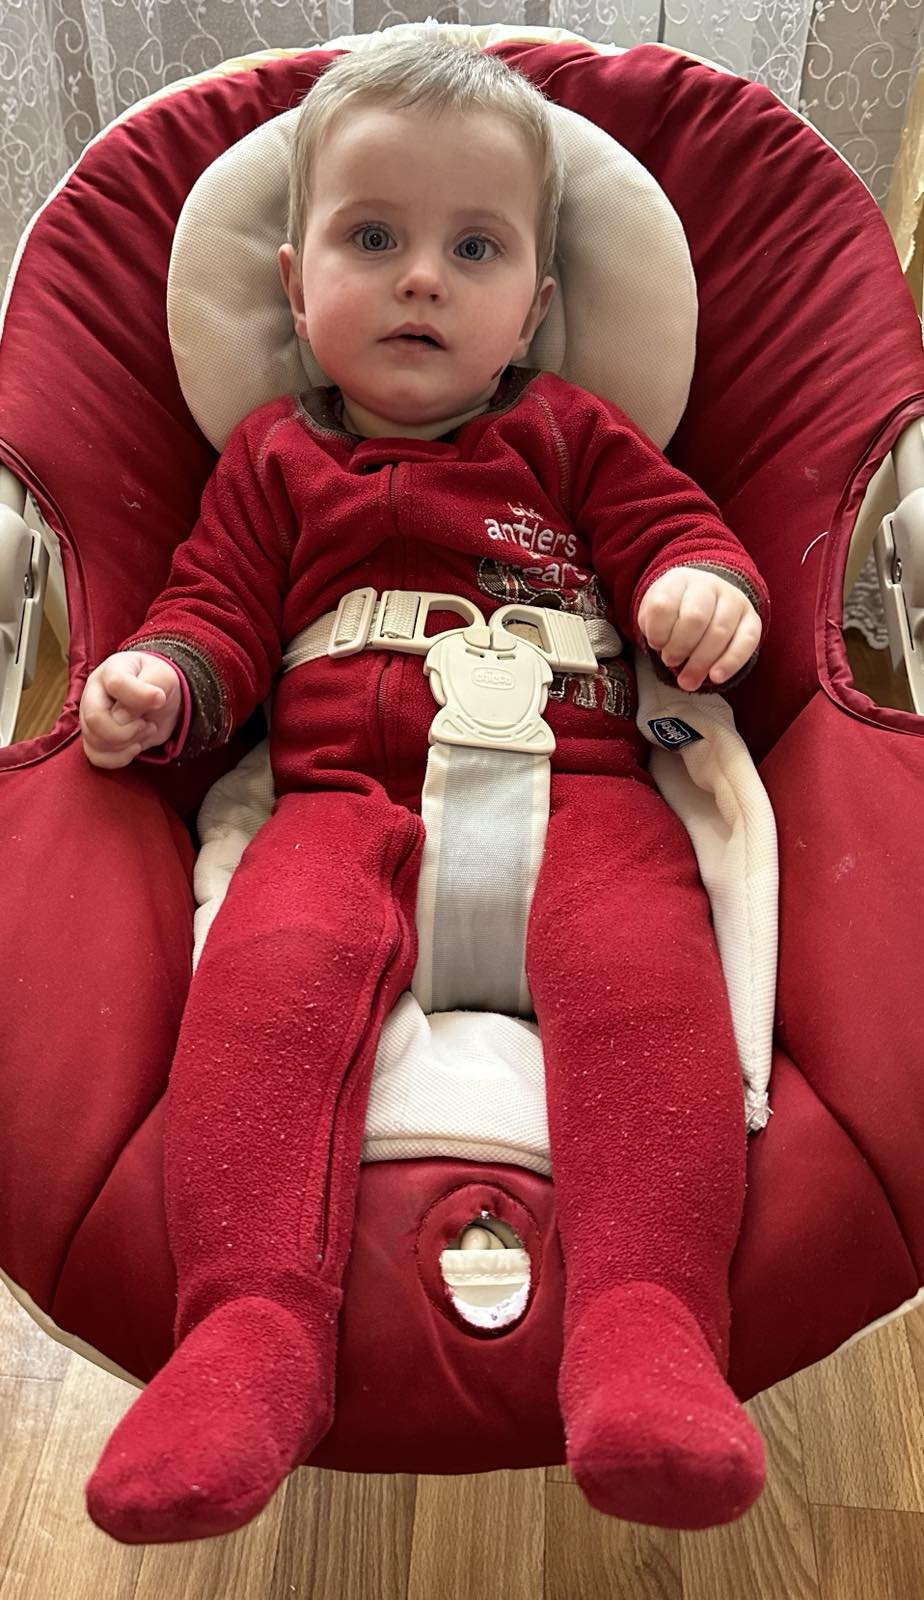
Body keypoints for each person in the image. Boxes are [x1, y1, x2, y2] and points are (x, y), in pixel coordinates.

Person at [79, 37, 770, 1544]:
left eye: (474, 250)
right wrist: (162, 683)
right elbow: (212, 612)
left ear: (534, 303)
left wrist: (703, 588)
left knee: (645, 986)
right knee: (268, 984)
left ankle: (648, 1323)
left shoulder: (568, 432)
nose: (419, 281)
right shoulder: (269, 460)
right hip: (340, 801)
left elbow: (680, 530)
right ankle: (251, 1328)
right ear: (294, 282)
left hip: (581, 781)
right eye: (373, 237)